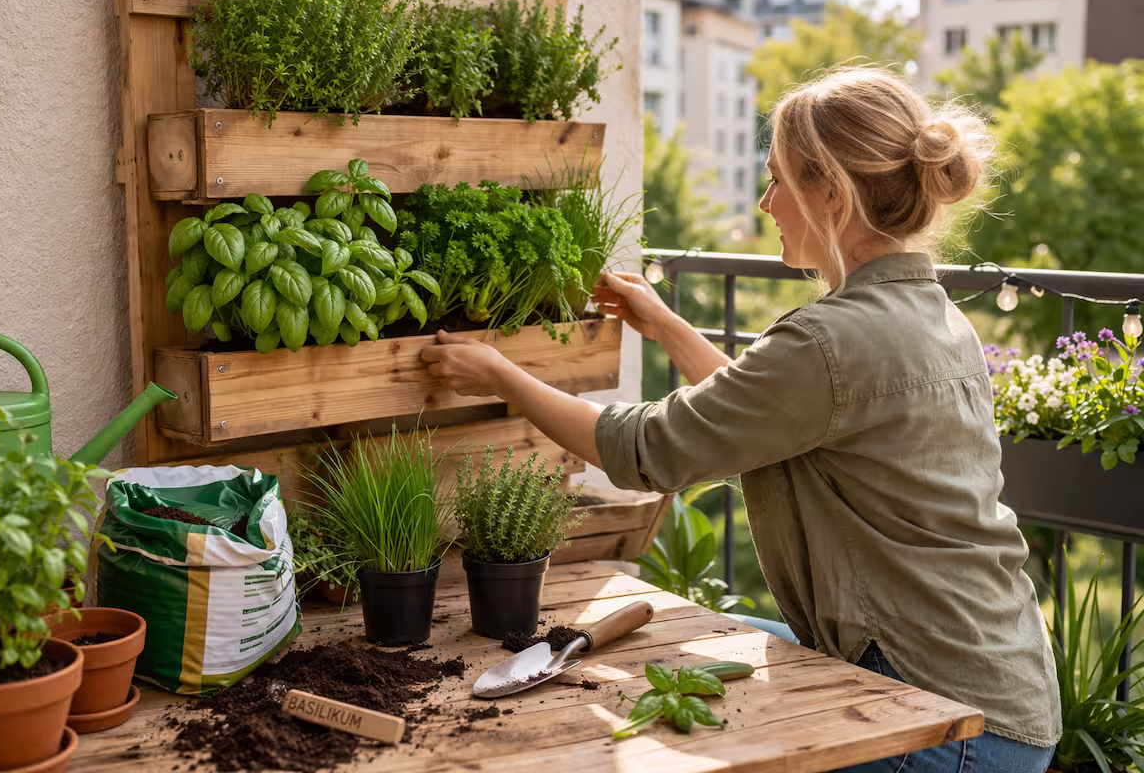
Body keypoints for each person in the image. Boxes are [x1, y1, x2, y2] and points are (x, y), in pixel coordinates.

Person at [420, 67, 1061, 772]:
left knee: (651, 736)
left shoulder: (833, 340)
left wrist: (501, 376)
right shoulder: (929, 314)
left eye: (778, 179)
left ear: (831, 193)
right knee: (657, 641)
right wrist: (666, 327)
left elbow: (646, 449)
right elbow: (770, 410)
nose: (764, 203)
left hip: (939, 719)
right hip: (999, 683)